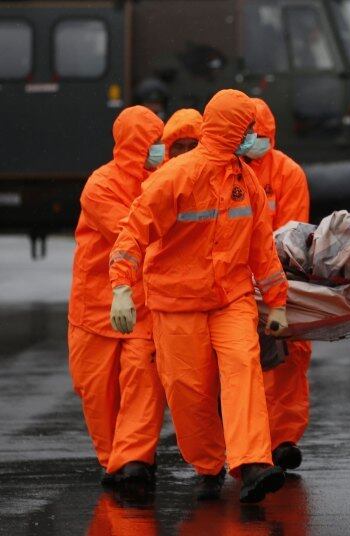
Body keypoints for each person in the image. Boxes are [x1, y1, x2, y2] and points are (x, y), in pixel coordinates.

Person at [108, 89, 289, 504]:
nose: (252, 136)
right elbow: (133, 232)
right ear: (232, 129)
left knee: (244, 368)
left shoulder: (246, 182)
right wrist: (121, 287)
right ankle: (208, 462)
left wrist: (276, 301)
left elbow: (262, 246)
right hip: (177, 304)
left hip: (231, 298)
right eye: (247, 128)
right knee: (188, 391)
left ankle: (253, 463)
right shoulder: (176, 177)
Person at [68, 105, 166, 488]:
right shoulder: (102, 185)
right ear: (135, 144)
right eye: (153, 142)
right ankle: (114, 459)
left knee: (143, 381)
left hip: (143, 304)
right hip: (94, 306)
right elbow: (130, 232)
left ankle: (134, 461)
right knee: (96, 389)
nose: (160, 150)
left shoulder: (163, 179)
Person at [244, 98, 312, 471]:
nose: (256, 140)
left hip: (278, 281)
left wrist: (274, 289)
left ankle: (283, 439)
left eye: (262, 134)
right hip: (235, 284)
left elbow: (293, 233)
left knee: (289, 360)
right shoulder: (226, 169)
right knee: (242, 367)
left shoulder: (287, 173)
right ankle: (248, 443)